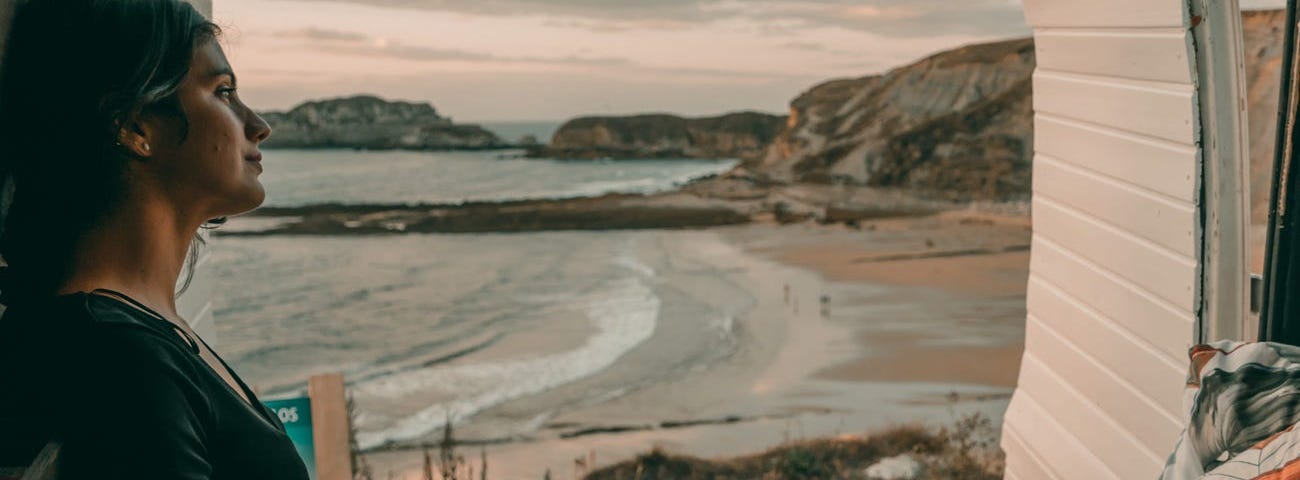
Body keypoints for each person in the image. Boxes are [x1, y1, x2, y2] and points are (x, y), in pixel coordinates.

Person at [0, 1, 309, 478]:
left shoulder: (139, 334)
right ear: (135, 126)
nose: (259, 125)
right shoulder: (115, 361)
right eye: (223, 92)